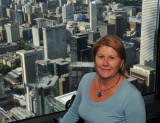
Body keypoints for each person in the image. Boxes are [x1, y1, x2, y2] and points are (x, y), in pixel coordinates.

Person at [60, 35, 146, 123]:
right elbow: (72, 114)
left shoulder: (132, 96)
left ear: (121, 63)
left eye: (112, 58)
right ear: (95, 60)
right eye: (101, 57)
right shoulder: (86, 80)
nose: (105, 63)